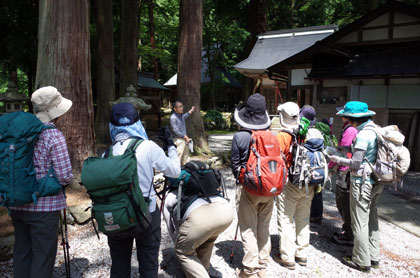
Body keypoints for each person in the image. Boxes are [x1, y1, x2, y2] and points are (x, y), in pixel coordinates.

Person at [106, 102, 181, 278]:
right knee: (148, 264)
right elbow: (175, 171)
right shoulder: (148, 147)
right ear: (137, 123)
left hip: (117, 215)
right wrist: (170, 145)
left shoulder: (107, 152)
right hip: (146, 214)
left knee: (119, 265)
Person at [9, 86, 73, 278]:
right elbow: (64, 176)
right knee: (43, 256)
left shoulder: (18, 132)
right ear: (56, 112)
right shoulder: (53, 135)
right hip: (44, 209)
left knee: (22, 252)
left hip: (18, 203)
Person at [328, 101, 379, 273]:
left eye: (347, 117)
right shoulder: (376, 130)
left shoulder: (363, 134)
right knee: (372, 221)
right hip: (376, 181)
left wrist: (336, 159)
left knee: (360, 222)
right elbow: (361, 153)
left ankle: (361, 261)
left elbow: (356, 163)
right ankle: (373, 257)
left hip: (362, 182)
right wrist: (340, 148)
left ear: (353, 118)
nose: (346, 119)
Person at [275, 104, 324, 270]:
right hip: (310, 182)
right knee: (303, 218)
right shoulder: (318, 134)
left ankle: (287, 257)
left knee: (287, 218)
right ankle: (302, 254)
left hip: (293, 182)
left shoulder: (294, 133)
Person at [230, 93, 273, 278]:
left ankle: (249, 269)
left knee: (248, 227)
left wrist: (243, 181)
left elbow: (235, 165)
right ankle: (262, 265)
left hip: (248, 188)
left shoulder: (239, 137)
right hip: (269, 188)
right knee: (263, 226)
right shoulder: (271, 136)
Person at [163, 174, 233, 278]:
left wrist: (178, 238)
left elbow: (172, 224)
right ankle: (203, 271)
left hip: (201, 219)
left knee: (183, 251)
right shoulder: (208, 186)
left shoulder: (173, 193)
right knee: (206, 242)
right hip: (226, 212)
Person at [330, 108, 358, 246]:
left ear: (347, 117)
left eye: (343, 115)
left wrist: (330, 166)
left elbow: (342, 151)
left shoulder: (349, 130)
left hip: (345, 169)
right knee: (345, 202)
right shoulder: (351, 128)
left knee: (343, 202)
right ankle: (347, 231)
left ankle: (349, 235)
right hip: (347, 168)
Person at [170, 100, 195, 165]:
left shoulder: (181, 116)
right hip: (178, 140)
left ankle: (185, 172)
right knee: (179, 157)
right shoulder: (173, 117)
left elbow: (186, 115)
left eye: (182, 106)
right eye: (180, 107)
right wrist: (185, 136)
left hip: (184, 140)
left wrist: (191, 110)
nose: (182, 108)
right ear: (175, 109)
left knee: (186, 158)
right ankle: (176, 172)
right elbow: (175, 131)